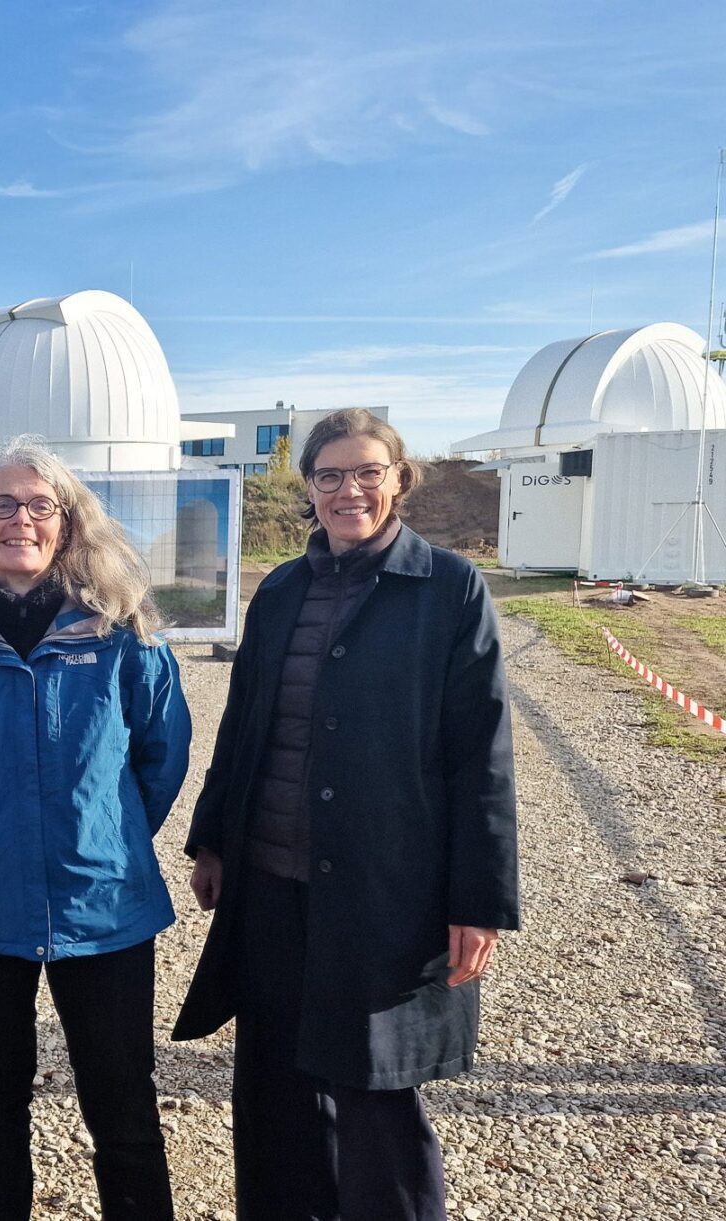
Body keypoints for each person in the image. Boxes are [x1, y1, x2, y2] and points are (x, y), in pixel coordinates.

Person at [173, 408, 519, 1220]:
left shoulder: (447, 587)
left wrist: (477, 898)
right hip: (272, 878)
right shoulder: (283, 589)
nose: (349, 490)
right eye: (329, 475)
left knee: (375, 1093)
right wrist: (214, 838)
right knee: (276, 1091)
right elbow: (247, 719)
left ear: (399, 479)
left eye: (368, 471)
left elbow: (483, 755)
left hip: (385, 890)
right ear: (309, 489)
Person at [0, 438, 190, 1221]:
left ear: (68, 524)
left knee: (122, 1100)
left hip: (105, 909)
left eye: (39, 504)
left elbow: (161, 761)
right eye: (2, 504)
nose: (20, 518)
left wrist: (103, 831)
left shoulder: (124, 637)